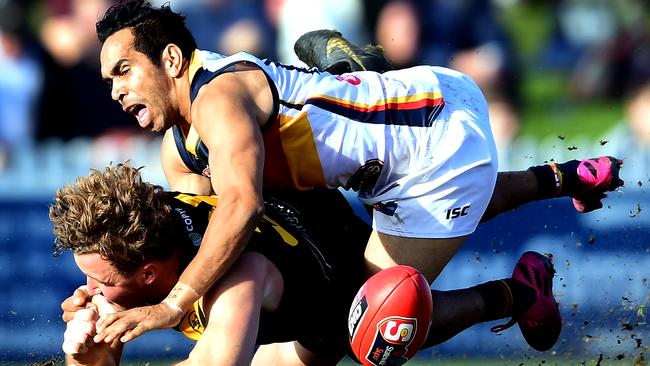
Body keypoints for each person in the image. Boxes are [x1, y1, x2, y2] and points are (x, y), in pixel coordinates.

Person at [90, 0, 624, 354]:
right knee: (406, 211)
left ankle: (518, 293)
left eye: (124, 70)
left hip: (437, 147)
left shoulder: (217, 103)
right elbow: (199, 237)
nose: (114, 90)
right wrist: (118, 290)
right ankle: (563, 177)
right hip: (431, 98)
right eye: (108, 79)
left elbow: (240, 209)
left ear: (172, 59)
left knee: (362, 320)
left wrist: (172, 305)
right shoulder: (182, 144)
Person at [56, 162, 616, 365]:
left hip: (340, 284)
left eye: (99, 279)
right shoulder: (159, 207)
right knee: (444, 207)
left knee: (373, 332)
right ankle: (559, 179)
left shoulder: (240, 282)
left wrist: (95, 363)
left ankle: (518, 294)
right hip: (306, 207)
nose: (88, 288)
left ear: (151, 273)